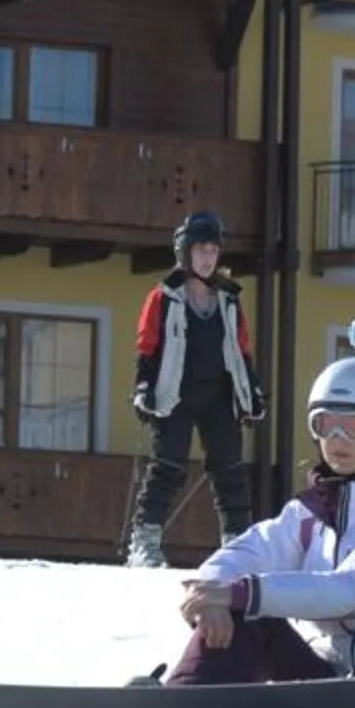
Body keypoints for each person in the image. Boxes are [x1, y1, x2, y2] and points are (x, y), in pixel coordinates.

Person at [156, 319, 355, 685]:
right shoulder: (315, 509)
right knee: (242, 613)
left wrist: (240, 594)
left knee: (246, 600)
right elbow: (253, 550)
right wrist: (210, 593)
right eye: (325, 424)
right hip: (329, 686)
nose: (337, 440)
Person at [126, 211, 266, 568]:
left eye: (213, 250)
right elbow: (147, 347)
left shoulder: (229, 300)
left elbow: (241, 349)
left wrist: (252, 392)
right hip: (174, 393)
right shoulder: (164, 296)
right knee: (168, 467)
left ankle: (238, 549)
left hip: (219, 394)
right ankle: (145, 543)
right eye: (200, 249)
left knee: (230, 470)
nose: (207, 257)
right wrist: (143, 387)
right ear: (185, 252)